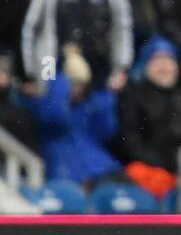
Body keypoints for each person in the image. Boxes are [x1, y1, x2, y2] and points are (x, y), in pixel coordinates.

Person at [117, 36, 181, 199]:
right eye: (157, 60)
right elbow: (131, 140)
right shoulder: (134, 97)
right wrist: (164, 165)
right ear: (146, 65)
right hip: (151, 170)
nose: (163, 66)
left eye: (168, 59)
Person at [21, 46, 120, 187]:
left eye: (80, 84)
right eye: (71, 83)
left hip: (101, 169)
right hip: (66, 174)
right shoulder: (43, 105)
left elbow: (106, 131)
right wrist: (59, 84)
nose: (75, 88)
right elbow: (55, 116)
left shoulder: (87, 107)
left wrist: (106, 93)